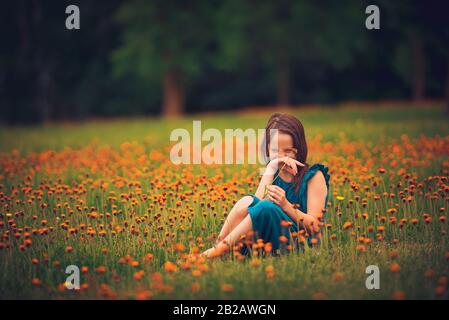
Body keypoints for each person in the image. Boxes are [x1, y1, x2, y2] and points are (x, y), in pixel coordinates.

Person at [202, 113, 330, 258]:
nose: (281, 156)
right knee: (247, 201)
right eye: (275, 150)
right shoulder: (273, 173)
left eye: (288, 151)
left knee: (266, 207)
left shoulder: (314, 176)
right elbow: (253, 209)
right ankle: (220, 248)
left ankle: (213, 254)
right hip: (268, 241)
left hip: (301, 244)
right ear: (268, 148)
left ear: (299, 149)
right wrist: (271, 168)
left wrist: (285, 205)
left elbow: (315, 227)